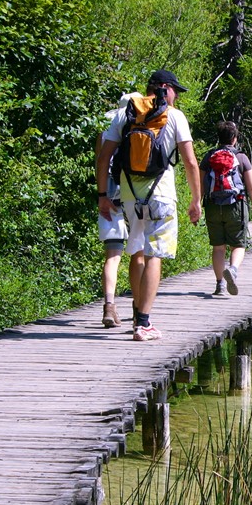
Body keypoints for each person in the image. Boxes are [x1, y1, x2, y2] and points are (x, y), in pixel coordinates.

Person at [96, 70, 202, 341]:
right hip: (162, 195)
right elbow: (190, 162)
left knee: (137, 250)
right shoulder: (175, 117)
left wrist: (102, 195)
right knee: (156, 254)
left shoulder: (125, 114)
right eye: (175, 91)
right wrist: (196, 200)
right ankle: (143, 323)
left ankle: (136, 315)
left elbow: (104, 156)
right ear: (165, 89)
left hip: (129, 194)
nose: (176, 96)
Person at [198, 120, 252, 296]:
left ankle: (219, 285)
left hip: (212, 206)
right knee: (238, 245)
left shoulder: (208, 157)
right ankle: (233, 270)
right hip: (236, 205)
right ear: (234, 138)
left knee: (218, 247)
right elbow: (251, 187)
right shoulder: (241, 158)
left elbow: (200, 185)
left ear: (219, 137)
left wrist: (196, 203)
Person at [97, 92, 143, 328]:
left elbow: (101, 162)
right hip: (134, 195)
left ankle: (109, 306)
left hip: (110, 196)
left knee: (113, 255)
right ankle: (138, 311)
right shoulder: (141, 123)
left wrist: (101, 196)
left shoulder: (106, 126)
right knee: (138, 253)